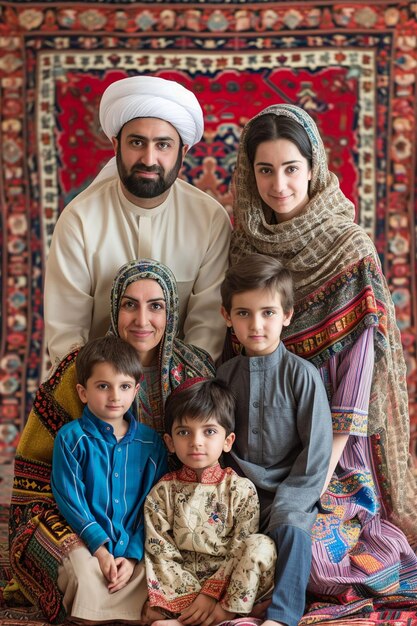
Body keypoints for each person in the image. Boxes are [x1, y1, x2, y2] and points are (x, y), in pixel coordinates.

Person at [228, 103, 417, 622]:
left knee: (316, 558)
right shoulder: (244, 242)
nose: (279, 184)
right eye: (265, 170)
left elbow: (356, 383)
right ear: (250, 173)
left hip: (331, 451)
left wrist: (311, 481)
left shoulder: (348, 246)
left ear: (314, 168)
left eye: (291, 168)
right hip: (257, 441)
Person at [8, 258, 215, 623]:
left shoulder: (193, 371)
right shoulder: (81, 366)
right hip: (70, 509)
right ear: (114, 307)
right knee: (80, 568)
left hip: (153, 515)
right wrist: (99, 547)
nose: (141, 319)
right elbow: (46, 472)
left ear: (172, 312)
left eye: (156, 306)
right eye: (129, 305)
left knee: (172, 560)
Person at [44, 75, 231, 365]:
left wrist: (180, 398)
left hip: (183, 393)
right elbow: (67, 336)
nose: (149, 158)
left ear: (183, 152)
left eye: (163, 145)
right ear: (116, 145)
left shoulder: (210, 219)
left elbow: (206, 333)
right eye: (137, 142)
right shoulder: (79, 221)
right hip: (96, 388)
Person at [216, 254, 334, 626]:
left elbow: (315, 454)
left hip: (288, 488)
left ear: (286, 315)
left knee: (291, 525)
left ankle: (283, 615)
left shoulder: (303, 375)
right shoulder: (224, 376)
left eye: (268, 313)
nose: (256, 325)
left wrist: (291, 499)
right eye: (244, 314)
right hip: (237, 489)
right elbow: (218, 442)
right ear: (227, 317)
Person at [50, 335, 167, 623]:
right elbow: (70, 499)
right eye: (103, 386)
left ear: (136, 390)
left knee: (159, 570)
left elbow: (154, 505)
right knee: (78, 569)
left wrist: (131, 556)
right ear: (83, 392)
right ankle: (93, 614)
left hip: (134, 551)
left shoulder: (151, 444)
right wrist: (101, 552)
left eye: (124, 387)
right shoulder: (71, 438)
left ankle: (127, 608)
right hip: (89, 545)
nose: (115, 396)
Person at [143, 377, 276, 626]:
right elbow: (162, 555)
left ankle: (226, 614)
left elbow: (241, 548)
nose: (196, 442)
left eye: (209, 431)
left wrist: (212, 595)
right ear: (170, 442)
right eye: (184, 432)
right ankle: (195, 619)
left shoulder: (240, 490)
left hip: (232, 587)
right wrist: (195, 601)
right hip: (185, 592)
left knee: (261, 544)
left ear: (228, 441)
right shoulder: (162, 494)